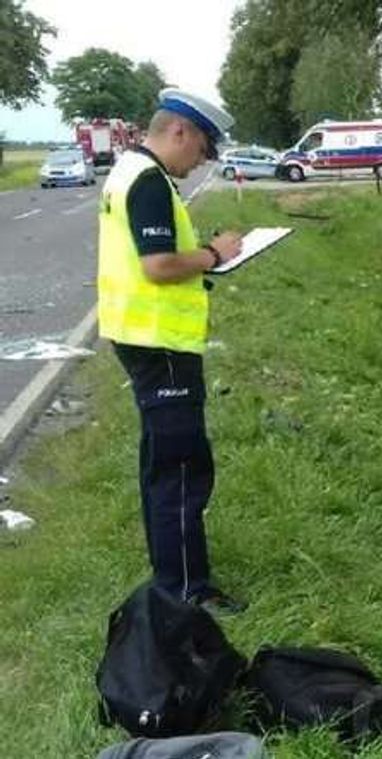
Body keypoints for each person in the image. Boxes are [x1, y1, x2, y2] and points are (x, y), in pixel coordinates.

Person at [97, 87, 245, 615]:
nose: (201, 159)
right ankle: (185, 590)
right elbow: (157, 266)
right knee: (181, 467)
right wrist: (212, 253)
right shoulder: (149, 182)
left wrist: (203, 256)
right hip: (158, 343)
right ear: (179, 132)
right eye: (202, 147)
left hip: (138, 335)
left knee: (161, 461)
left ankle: (171, 571)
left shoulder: (128, 170)